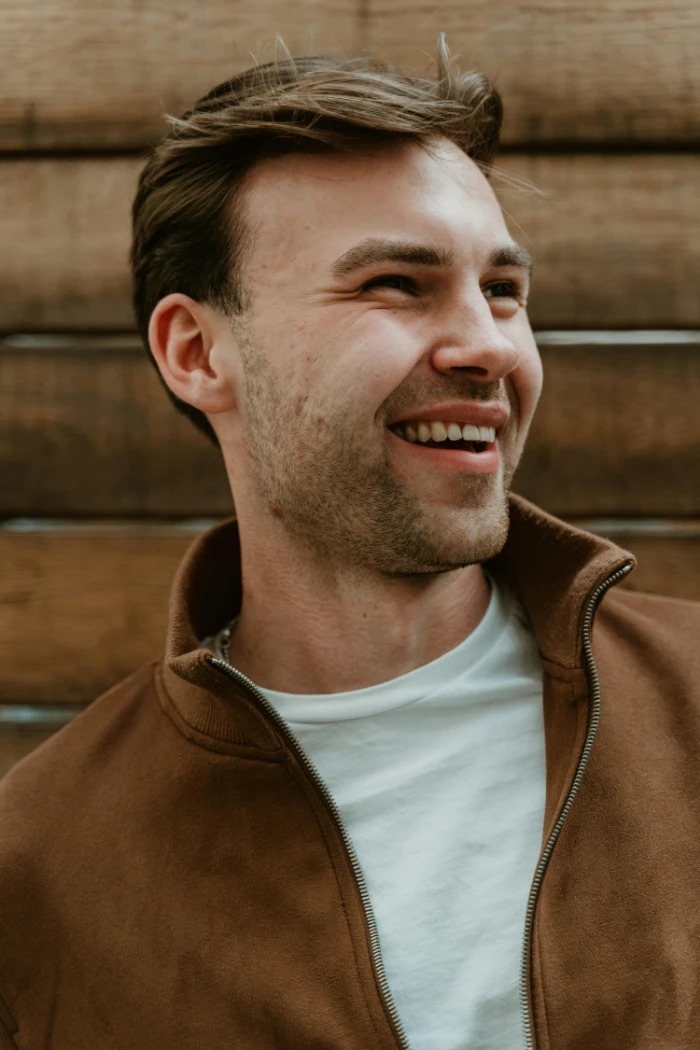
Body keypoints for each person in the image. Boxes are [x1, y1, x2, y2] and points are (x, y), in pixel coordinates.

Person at [1, 34, 699, 1050]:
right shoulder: (46, 857)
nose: (489, 345)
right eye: (395, 285)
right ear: (197, 352)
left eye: (502, 290)